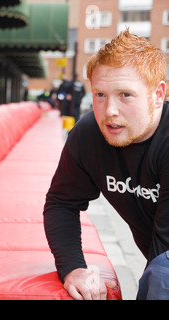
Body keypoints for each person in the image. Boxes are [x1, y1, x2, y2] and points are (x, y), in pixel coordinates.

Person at [44, 29, 168, 300]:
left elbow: (163, 265)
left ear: (158, 95)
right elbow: (62, 202)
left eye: (125, 95)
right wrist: (73, 268)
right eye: (100, 95)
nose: (110, 110)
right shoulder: (89, 134)